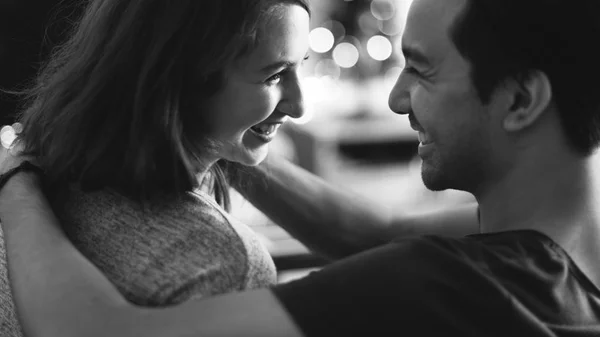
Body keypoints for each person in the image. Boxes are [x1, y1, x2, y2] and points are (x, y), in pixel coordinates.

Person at [4, 0, 600, 335]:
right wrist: (205, 129)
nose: (395, 99)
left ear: (521, 100)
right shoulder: (564, 251)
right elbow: (367, 233)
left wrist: (14, 176)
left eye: (421, 70)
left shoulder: (447, 288)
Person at [0, 0, 316, 335]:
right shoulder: (224, 260)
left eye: (301, 66)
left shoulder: (35, 180)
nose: (299, 106)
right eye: (275, 75)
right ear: (181, 77)